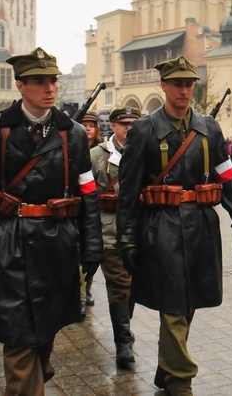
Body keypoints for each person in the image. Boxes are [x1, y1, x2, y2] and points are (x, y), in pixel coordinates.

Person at [0, 47, 104, 396]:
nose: (50, 88)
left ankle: (36, 369)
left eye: (53, 81)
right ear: (20, 85)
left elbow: (88, 192)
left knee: (43, 335)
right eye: (39, 82)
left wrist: (91, 246)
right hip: (8, 246)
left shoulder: (73, 133)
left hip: (56, 245)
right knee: (18, 338)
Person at [116, 55, 232, 395]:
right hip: (160, 228)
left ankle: (166, 369)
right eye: (177, 84)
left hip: (203, 228)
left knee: (189, 304)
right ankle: (181, 380)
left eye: (189, 84)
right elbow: (128, 190)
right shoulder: (144, 130)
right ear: (163, 86)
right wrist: (128, 239)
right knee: (174, 306)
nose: (184, 90)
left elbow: (227, 175)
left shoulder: (209, 127)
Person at [90, 105, 141, 367]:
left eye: (134, 124)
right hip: (109, 232)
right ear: (114, 126)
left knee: (131, 287)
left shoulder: (146, 153)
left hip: (140, 233)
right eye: (124, 124)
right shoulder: (97, 156)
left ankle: (125, 331)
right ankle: (123, 342)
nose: (129, 129)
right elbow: (86, 197)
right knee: (120, 285)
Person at [79, 109, 102, 315]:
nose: (87, 128)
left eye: (91, 125)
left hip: (96, 208)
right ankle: (79, 292)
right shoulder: (73, 146)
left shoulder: (101, 152)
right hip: (79, 207)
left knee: (92, 251)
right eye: (84, 125)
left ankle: (86, 288)